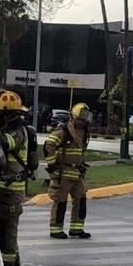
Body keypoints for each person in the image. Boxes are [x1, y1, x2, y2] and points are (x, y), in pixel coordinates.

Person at [0, 91, 28, 266]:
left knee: (8, 225)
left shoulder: (18, 131)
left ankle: (7, 261)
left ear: (6, 114)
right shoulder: (4, 127)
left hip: (12, 188)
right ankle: (11, 255)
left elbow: (5, 143)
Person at [44, 102, 92, 239]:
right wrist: (53, 166)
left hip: (77, 173)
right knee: (60, 201)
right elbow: (49, 145)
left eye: (83, 120)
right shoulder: (63, 132)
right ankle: (56, 229)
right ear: (73, 117)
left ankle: (77, 228)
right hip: (63, 174)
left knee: (81, 199)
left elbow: (80, 152)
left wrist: (81, 164)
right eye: (79, 119)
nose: (81, 122)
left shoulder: (83, 133)